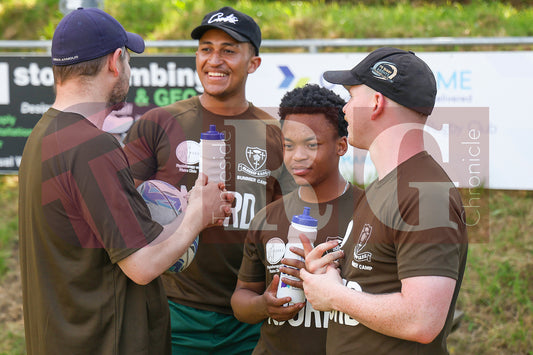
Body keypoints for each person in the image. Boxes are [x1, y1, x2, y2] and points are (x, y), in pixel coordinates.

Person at [18, 8, 232, 355]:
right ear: (116, 62)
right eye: (129, 60)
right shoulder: (90, 145)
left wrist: (189, 206)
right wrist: (197, 215)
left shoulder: (43, 134)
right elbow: (142, 266)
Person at [123, 6, 295, 354]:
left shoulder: (276, 136)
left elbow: (288, 224)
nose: (214, 60)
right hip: (171, 312)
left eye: (229, 50)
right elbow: (121, 211)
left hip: (248, 317)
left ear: (254, 63)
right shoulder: (157, 124)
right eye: (206, 49)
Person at [299, 47, 469, 354]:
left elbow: (423, 320)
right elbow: (374, 282)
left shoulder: (425, 193)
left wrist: (335, 296)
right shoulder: (384, 186)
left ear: (376, 102)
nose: (344, 109)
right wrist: (330, 275)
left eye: (351, 96)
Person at [231, 84, 364, 354]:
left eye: (311, 145)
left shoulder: (371, 212)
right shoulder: (266, 217)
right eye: (288, 146)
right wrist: (263, 305)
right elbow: (241, 298)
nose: (298, 156)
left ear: (341, 146)